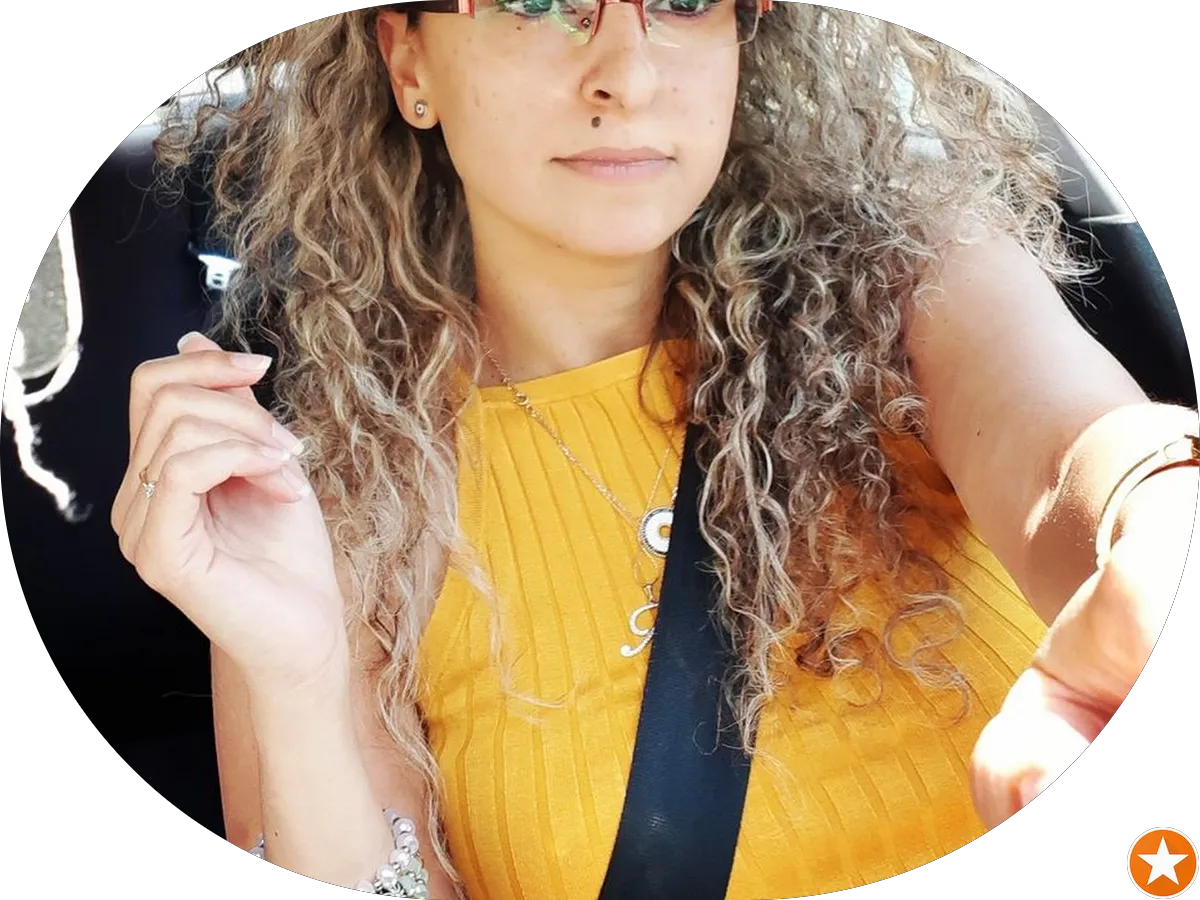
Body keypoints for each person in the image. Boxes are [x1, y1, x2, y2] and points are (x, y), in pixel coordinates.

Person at [108, 3, 1198, 898]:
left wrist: (1157, 516)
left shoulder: (916, 285)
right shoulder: (326, 493)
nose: (625, 74)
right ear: (409, 63)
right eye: (539, 3)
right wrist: (299, 682)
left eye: (682, 2)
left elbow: (1078, 458)